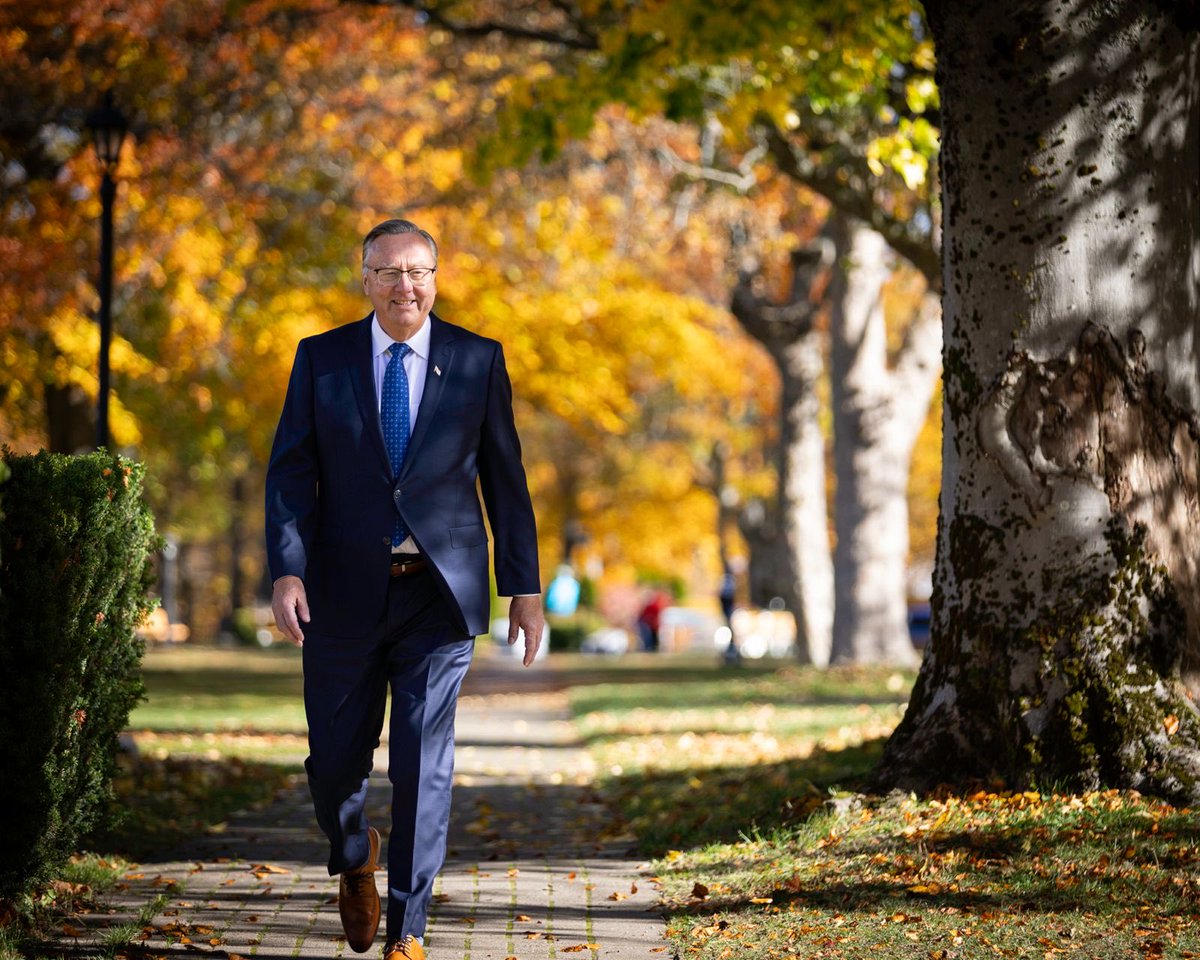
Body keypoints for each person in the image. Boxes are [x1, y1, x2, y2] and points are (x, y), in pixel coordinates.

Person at [265, 219, 543, 960]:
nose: (404, 285)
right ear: (365, 279)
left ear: (436, 278)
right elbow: (291, 470)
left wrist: (524, 587)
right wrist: (287, 568)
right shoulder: (321, 360)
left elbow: (506, 481)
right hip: (340, 592)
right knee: (332, 763)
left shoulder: (476, 359)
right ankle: (354, 854)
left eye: (417, 270)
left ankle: (409, 930)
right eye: (387, 271)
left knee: (424, 761)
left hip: (437, 595)